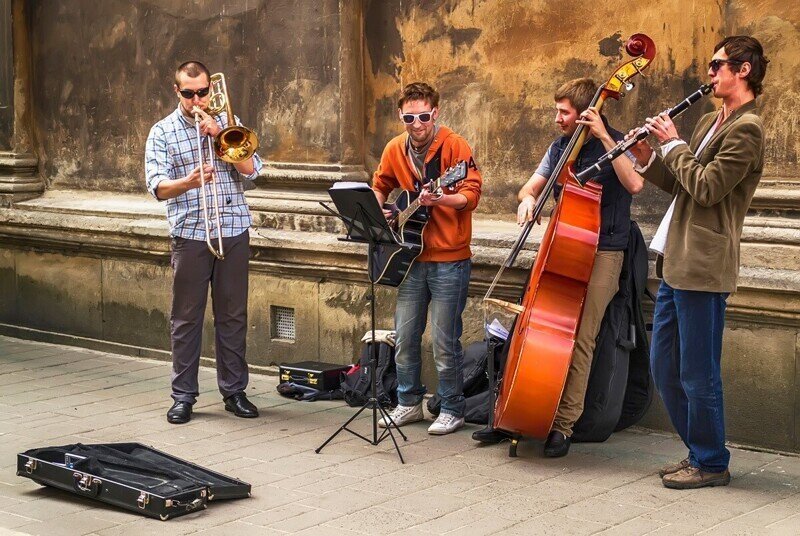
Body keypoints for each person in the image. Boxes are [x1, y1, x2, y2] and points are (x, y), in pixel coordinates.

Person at [628, 36, 768, 489]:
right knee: (663, 365)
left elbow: (708, 189)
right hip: (677, 260)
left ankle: (710, 461)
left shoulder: (748, 129)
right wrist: (651, 156)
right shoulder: (712, 119)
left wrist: (673, 144)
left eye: (716, 65)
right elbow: (685, 183)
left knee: (697, 371)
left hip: (705, 265)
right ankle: (699, 453)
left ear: (743, 69)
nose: (709, 74)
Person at [516, 78, 644, 457]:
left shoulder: (619, 142)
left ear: (588, 113)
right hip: (563, 248)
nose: (557, 119)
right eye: (557, 111)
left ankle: (564, 424)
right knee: (539, 328)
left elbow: (635, 183)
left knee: (582, 336)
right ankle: (521, 408)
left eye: (564, 112)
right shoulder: (558, 148)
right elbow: (530, 188)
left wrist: (605, 137)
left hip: (605, 251)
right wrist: (526, 201)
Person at [145, 61, 263, 424]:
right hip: (191, 234)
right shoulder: (162, 131)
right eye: (188, 93)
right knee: (186, 319)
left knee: (233, 316)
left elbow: (254, 172)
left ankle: (234, 392)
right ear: (176, 91)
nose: (197, 100)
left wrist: (218, 133)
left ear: (211, 89)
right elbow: (157, 186)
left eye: (202, 92)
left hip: (233, 229)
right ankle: (183, 396)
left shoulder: (228, 121)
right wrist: (189, 182)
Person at [371, 82, 482, 435]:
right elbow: (379, 184)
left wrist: (441, 200)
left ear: (435, 114)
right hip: (410, 255)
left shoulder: (454, 147)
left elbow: (471, 195)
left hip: (450, 257)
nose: (416, 124)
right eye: (409, 117)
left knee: (444, 340)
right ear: (400, 116)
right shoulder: (394, 149)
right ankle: (408, 403)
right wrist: (384, 213)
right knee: (404, 335)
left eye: (423, 116)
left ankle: (452, 408)